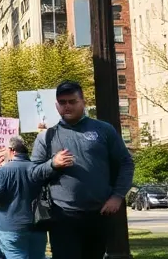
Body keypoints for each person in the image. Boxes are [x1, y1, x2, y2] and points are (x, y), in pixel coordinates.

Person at [30, 80, 134, 259]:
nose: (67, 106)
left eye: (72, 101)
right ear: (56, 105)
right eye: (62, 102)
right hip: (62, 215)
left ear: (83, 102)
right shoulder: (46, 137)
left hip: (99, 213)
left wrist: (117, 197)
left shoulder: (103, 130)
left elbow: (126, 163)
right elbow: (32, 174)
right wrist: (52, 164)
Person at [0, 137, 44, 259]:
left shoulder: (3, 171)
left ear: (11, 150)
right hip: (38, 224)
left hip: (12, 225)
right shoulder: (38, 168)